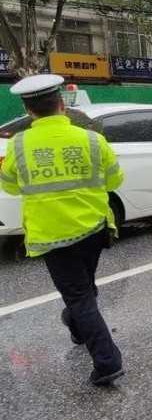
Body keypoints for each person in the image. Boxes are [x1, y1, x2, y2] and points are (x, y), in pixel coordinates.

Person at [0, 74, 125, 386]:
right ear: (61, 105)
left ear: (29, 111)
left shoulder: (18, 145)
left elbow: (10, 186)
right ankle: (75, 322)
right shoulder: (92, 140)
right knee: (83, 290)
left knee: (80, 296)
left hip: (52, 235)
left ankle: (108, 362)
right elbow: (114, 181)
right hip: (94, 229)